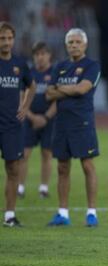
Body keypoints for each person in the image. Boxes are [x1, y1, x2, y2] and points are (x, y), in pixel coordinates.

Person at [45, 28, 101, 227]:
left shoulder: (92, 65)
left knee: (87, 165)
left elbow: (82, 89)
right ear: (66, 45)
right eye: (70, 42)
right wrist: (68, 90)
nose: (74, 45)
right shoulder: (59, 66)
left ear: (85, 45)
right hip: (61, 122)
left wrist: (60, 89)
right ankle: (63, 213)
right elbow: (48, 95)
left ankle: (92, 212)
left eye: (77, 42)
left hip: (82, 122)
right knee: (62, 167)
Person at [0, 22, 36, 227]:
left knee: (13, 169)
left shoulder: (20, 64)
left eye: (9, 38)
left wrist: (25, 107)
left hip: (12, 126)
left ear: (13, 40)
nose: (6, 42)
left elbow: (32, 85)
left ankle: (9, 216)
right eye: (2, 38)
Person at [18, 42, 56, 199]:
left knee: (47, 153)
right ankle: (20, 188)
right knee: (24, 154)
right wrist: (32, 116)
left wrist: (46, 117)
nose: (40, 57)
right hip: (29, 119)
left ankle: (44, 188)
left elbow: (58, 99)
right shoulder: (28, 73)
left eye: (43, 54)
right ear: (33, 57)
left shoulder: (55, 73)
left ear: (49, 55)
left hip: (49, 119)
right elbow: (20, 98)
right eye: (37, 54)